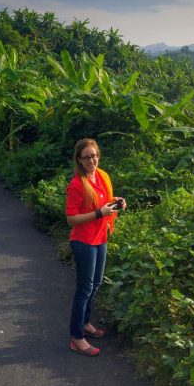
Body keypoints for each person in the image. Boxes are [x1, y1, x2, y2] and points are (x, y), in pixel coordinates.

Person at [65, 138, 126, 356]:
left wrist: (116, 200)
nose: (92, 160)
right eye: (87, 157)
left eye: (95, 155)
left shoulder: (102, 176)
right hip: (83, 241)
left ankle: (85, 323)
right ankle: (76, 337)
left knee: (96, 283)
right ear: (79, 161)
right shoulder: (76, 185)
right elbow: (71, 219)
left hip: (101, 237)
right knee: (84, 288)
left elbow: (105, 199)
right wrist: (100, 213)